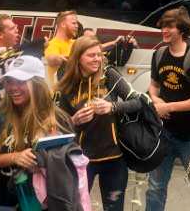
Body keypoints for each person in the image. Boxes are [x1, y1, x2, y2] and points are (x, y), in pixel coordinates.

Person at [145, 6, 190, 211]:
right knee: (155, 188)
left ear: (182, 30)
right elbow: (154, 85)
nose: (164, 31)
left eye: (170, 27)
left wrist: (170, 106)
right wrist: (155, 99)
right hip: (163, 134)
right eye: (163, 27)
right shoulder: (159, 54)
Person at [56, 36, 142, 211]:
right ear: (78, 57)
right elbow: (59, 127)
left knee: (113, 208)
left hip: (114, 158)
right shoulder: (67, 84)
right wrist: (74, 121)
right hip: (80, 160)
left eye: (99, 55)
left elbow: (137, 102)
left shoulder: (109, 75)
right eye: (91, 55)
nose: (97, 59)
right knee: (76, 207)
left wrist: (112, 106)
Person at [0, 55, 73, 208]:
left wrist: (48, 159)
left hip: (44, 202)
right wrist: (14, 157)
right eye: (9, 81)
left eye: (21, 82)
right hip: (2, 202)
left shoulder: (57, 118)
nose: (13, 88)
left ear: (37, 84)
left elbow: (70, 164)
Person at [44, 10, 79, 86]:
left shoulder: (76, 43)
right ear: (63, 24)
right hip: (58, 94)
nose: (77, 26)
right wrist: (58, 58)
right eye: (74, 23)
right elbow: (51, 59)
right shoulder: (52, 44)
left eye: (77, 23)